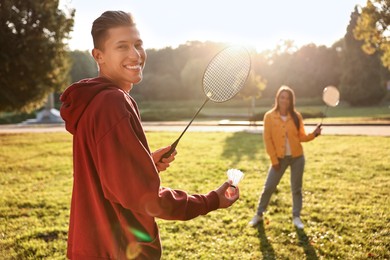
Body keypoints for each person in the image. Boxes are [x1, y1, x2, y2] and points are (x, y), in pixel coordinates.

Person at [60, 10, 239, 259]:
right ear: (98, 56)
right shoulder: (112, 102)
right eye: (122, 46)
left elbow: (108, 175)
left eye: (138, 44)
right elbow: (144, 198)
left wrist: (144, 163)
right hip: (118, 250)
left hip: (92, 246)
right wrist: (210, 201)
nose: (135, 55)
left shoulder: (94, 101)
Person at [248, 85, 321, 229]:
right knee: (269, 187)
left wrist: (314, 134)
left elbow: (301, 137)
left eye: (288, 98)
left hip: (297, 158)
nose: (285, 100)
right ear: (277, 98)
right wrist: (274, 160)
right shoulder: (269, 116)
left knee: (297, 189)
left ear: (291, 100)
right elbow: (267, 140)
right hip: (279, 159)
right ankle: (259, 214)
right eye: (282, 97)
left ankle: (296, 217)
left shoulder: (296, 116)